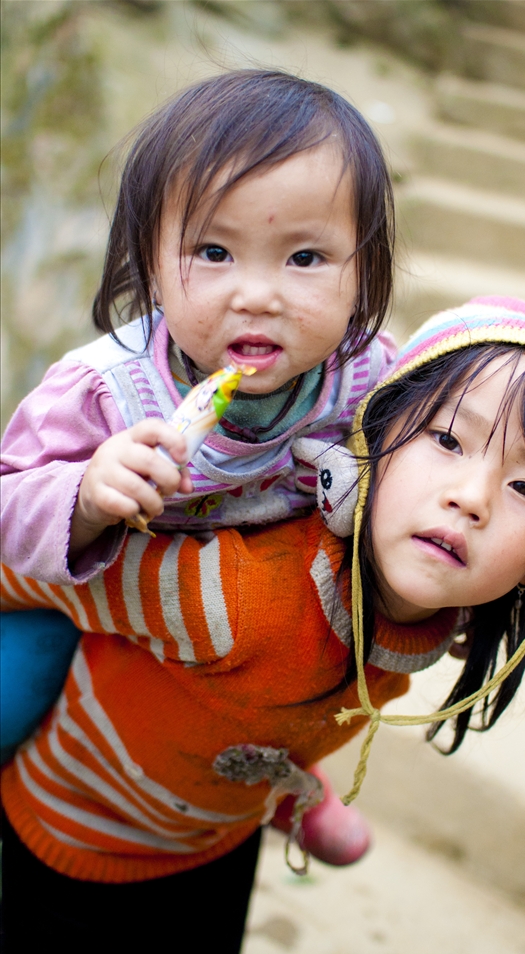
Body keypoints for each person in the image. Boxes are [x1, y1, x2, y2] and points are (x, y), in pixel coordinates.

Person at [0, 298, 525, 954]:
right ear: (372, 442)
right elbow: (31, 573)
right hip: (73, 840)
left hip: (217, 847)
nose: (473, 497)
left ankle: (292, 790)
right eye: (445, 440)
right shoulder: (233, 597)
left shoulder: (437, 618)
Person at [0, 68, 396, 856]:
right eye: (213, 251)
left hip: (245, 631)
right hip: (92, 607)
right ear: (149, 263)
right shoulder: (103, 391)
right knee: (15, 692)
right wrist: (84, 492)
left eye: (306, 258)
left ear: (362, 271)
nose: (258, 295)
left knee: (295, 673)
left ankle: (285, 788)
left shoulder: (370, 378)